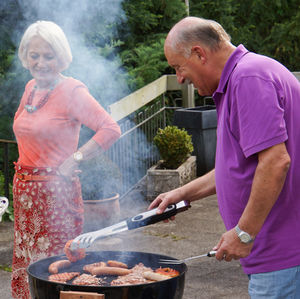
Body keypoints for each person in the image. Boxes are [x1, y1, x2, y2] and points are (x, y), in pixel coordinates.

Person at [149, 17, 300, 298]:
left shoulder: (248, 78)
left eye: (177, 67)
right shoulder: (242, 78)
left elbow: (276, 162)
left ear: (199, 53)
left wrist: (243, 233)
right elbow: (238, 168)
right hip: (276, 256)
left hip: (283, 256)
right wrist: (182, 193)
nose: (179, 77)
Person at [12, 20, 121, 298]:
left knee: (55, 270)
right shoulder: (31, 89)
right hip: (26, 197)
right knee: (28, 265)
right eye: (34, 55)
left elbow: (110, 128)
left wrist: (76, 158)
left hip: (55, 198)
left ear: (61, 56)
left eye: (49, 56)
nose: (41, 62)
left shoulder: (72, 90)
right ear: (25, 55)